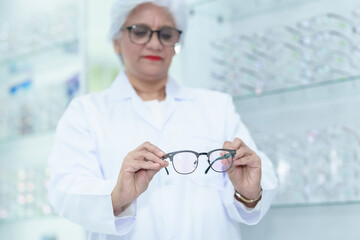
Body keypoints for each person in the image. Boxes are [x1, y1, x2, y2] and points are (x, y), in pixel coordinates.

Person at [48, 0, 278, 239]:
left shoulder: (216, 107)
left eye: (166, 34)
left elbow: (260, 178)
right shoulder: (86, 113)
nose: (155, 43)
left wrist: (248, 193)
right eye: (140, 31)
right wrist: (118, 195)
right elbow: (65, 191)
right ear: (117, 41)